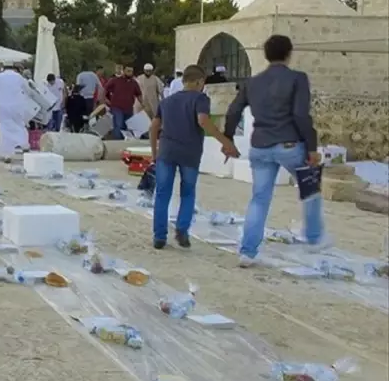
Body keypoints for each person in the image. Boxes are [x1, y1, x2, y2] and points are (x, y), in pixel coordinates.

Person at [225, 35, 325, 268]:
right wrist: (311, 146)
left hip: (260, 146)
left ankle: (247, 252)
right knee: (310, 188)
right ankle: (314, 237)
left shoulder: (252, 82)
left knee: (259, 199)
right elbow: (301, 115)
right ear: (289, 54)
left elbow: (233, 111)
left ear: (265, 55)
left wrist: (227, 138)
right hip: (289, 145)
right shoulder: (297, 79)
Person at [149, 65, 238, 250]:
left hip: (166, 151)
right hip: (190, 152)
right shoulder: (200, 98)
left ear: (183, 81)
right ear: (199, 81)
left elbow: (153, 127)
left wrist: (154, 153)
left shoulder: (167, 101)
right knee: (188, 192)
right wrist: (225, 142)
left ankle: (159, 237)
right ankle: (182, 229)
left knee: (162, 193)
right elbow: (203, 120)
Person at [0, 64, 31, 153]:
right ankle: (24, 144)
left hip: (3, 107)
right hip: (18, 106)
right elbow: (28, 91)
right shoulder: (19, 77)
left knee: (4, 129)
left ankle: (7, 154)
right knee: (19, 125)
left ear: (3, 69)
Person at [104, 66, 143, 139]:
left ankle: (123, 142)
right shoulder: (115, 80)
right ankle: (117, 142)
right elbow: (105, 89)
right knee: (118, 124)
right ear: (124, 71)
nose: (130, 73)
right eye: (128, 71)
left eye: (131, 71)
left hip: (128, 108)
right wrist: (105, 99)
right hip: (117, 107)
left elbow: (139, 94)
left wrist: (143, 104)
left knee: (126, 126)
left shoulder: (134, 83)